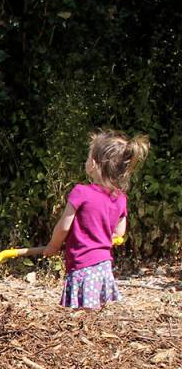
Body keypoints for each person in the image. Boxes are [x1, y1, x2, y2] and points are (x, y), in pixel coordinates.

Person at [42, 131, 149, 309]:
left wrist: (53, 246)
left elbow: (63, 227)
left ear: (93, 163)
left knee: (81, 317)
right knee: (96, 317)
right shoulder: (120, 198)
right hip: (104, 267)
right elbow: (119, 233)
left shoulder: (81, 192)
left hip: (82, 267)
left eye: (87, 157)